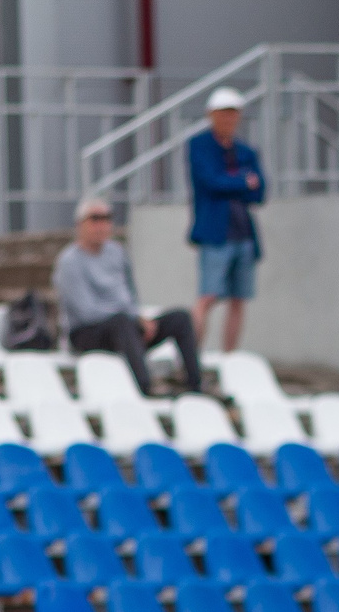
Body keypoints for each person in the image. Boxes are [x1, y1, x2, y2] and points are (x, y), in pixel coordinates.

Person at [55, 195, 201, 396]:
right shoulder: (69, 262)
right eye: (95, 219)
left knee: (180, 318)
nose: (102, 225)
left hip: (126, 328)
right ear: (80, 225)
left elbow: (130, 295)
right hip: (87, 333)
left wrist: (138, 319)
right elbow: (86, 311)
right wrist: (131, 319)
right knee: (121, 322)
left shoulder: (117, 253)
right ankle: (146, 387)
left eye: (107, 218)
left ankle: (196, 386)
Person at [186, 87, 264, 356]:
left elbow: (260, 191)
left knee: (238, 299)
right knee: (207, 296)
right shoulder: (200, 146)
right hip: (215, 233)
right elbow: (211, 182)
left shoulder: (245, 150)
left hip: (243, 233)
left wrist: (234, 183)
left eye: (233, 114)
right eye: (224, 114)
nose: (229, 119)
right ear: (211, 115)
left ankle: (229, 357)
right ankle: (191, 356)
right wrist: (242, 181)